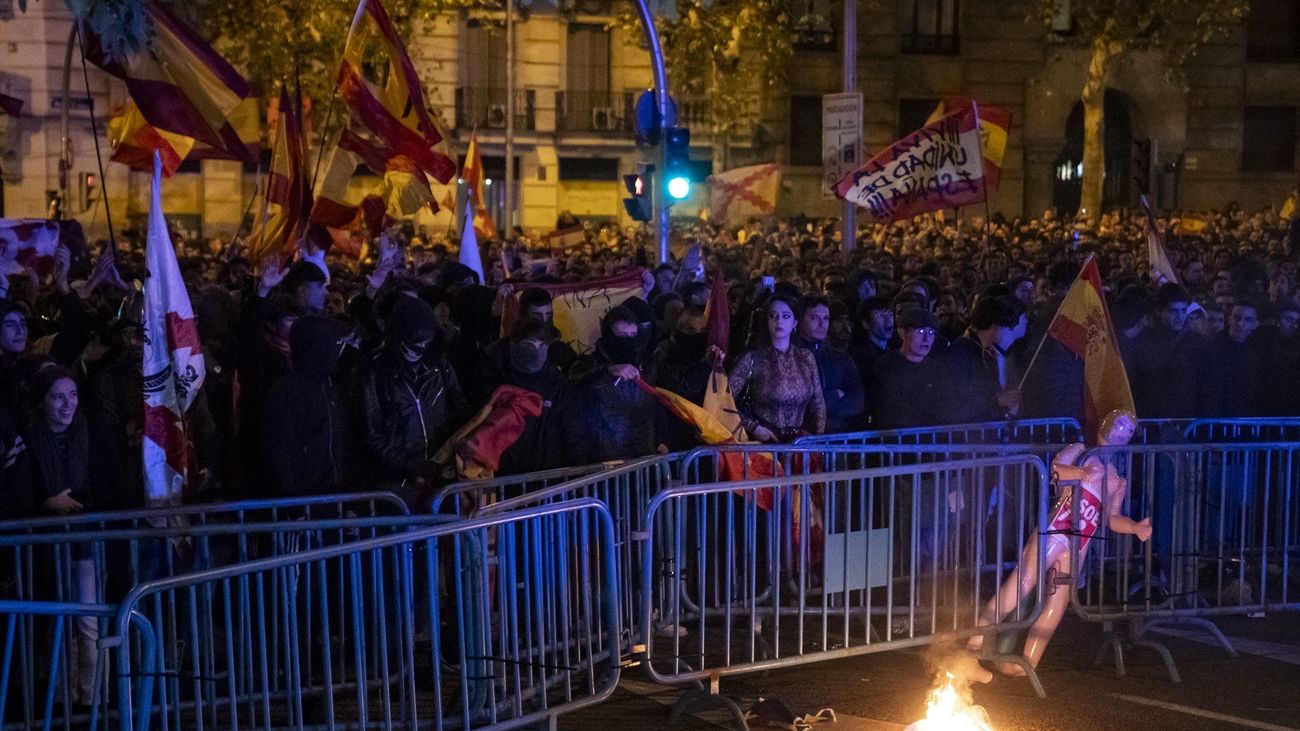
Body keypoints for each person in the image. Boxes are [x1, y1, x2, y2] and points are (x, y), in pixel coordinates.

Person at [968, 409, 1150, 675]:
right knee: (1022, 584)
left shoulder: (1117, 480)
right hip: (1056, 529)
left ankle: (1027, 664)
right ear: (1105, 422)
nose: (1124, 430)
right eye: (1121, 423)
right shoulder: (1079, 450)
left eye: (1130, 429)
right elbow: (1055, 470)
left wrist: (1135, 527)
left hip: (1080, 544)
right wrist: (1082, 473)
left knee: (1058, 603)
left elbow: (1111, 518)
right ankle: (972, 648)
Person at [356, 296, 465, 503]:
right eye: (414, 342)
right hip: (396, 485)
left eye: (425, 342)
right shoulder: (374, 373)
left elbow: (458, 407)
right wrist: (412, 465)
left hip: (441, 479)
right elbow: (371, 434)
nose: (420, 348)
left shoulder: (439, 367)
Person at [261, 315, 356, 497]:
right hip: (304, 501)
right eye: (335, 343)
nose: (339, 349)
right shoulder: (289, 393)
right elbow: (282, 453)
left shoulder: (328, 386)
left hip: (331, 496)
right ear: (318, 346)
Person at [569, 306, 665, 461]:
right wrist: (608, 372)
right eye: (621, 335)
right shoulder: (590, 363)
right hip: (605, 459)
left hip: (645, 455)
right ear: (609, 336)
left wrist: (663, 440)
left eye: (633, 335)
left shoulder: (648, 365)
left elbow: (658, 403)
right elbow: (575, 382)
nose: (629, 341)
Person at [729, 293, 826, 442]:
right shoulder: (752, 359)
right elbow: (725, 401)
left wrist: (817, 441)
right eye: (773, 316)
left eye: (786, 316)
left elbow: (818, 402)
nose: (779, 320)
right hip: (765, 444)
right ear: (766, 321)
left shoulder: (806, 357)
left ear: (795, 322)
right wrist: (752, 427)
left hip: (800, 445)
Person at [868, 308, 949, 429]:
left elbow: (944, 407)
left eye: (931, 333)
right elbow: (890, 410)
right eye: (920, 332)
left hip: (930, 440)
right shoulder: (886, 365)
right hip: (896, 440)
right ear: (902, 333)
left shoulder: (937, 369)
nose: (927, 339)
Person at [795, 296, 863, 433]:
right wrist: (835, 395)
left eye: (826, 318)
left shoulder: (840, 358)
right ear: (800, 320)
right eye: (814, 318)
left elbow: (857, 401)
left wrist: (821, 404)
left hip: (836, 439)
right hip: (801, 440)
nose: (822, 324)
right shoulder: (790, 357)